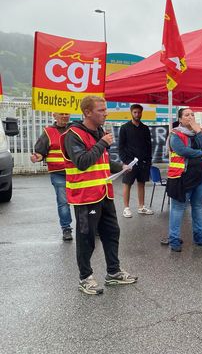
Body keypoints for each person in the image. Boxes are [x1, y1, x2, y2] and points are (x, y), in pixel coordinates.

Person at [60, 96, 138, 295]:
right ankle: (85, 278)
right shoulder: (73, 134)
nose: (106, 113)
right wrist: (102, 143)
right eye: (101, 110)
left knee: (112, 232)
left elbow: (100, 162)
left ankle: (113, 272)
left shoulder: (100, 132)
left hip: (104, 193)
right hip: (85, 196)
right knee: (86, 238)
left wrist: (120, 166)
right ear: (87, 112)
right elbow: (82, 161)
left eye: (105, 109)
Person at [165, 108, 202, 252]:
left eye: (192, 115)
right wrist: (201, 153)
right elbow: (182, 151)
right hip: (181, 177)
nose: (190, 117)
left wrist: (198, 130)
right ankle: (174, 239)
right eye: (187, 115)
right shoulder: (175, 133)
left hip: (200, 176)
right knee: (178, 208)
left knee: (198, 207)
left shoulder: (201, 132)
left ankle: (199, 237)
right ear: (180, 119)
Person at [31, 112, 73, 241]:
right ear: (54, 116)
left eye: (67, 114)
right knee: (63, 202)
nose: (65, 116)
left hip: (75, 172)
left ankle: (88, 227)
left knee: (82, 201)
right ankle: (66, 228)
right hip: (58, 173)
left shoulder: (75, 130)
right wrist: (38, 157)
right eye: (62, 114)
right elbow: (40, 151)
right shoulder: (48, 132)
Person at [118, 104, 153, 218]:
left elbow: (149, 145)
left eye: (139, 112)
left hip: (143, 162)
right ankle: (126, 208)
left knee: (141, 184)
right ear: (131, 113)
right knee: (127, 184)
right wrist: (126, 162)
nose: (137, 114)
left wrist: (148, 161)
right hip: (129, 162)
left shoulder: (145, 128)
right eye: (135, 112)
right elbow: (121, 147)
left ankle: (141, 207)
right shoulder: (124, 128)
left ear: (142, 113)